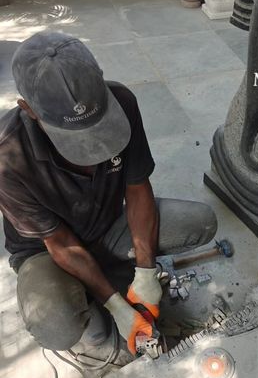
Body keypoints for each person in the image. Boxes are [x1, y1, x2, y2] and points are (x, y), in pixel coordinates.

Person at [0, 31, 217, 355]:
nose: (93, 151)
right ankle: (99, 299)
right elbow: (60, 243)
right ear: (28, 109)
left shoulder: (122, 102)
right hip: (47, 250)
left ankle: (119, 274)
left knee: (200, 222)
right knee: (60, 327)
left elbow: (138, 188)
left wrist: (145, 273)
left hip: (108, 223)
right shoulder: (7, 157)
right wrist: (116, 305)